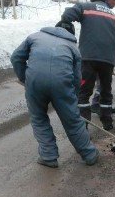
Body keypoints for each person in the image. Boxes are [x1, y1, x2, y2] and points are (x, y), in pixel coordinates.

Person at [10, 21, 99, 168]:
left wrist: (24, 78)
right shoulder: (73, 48)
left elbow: (16, 58)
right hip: (62, 85)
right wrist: (73, 97)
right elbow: (77, 78)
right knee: (72, 121)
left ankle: (48, 156)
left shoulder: (34, 37)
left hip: (35, 82)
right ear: (71, 34)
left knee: (39, 118)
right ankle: (89, 154)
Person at [60, 0, 115, 131]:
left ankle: (84, 124)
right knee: (106, 91)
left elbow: (68, 14)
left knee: (84, 92)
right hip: (108, 60)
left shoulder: (85, 7)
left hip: (88, 58)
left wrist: (66, 23)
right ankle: (107, 122)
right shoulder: (114, 17)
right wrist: (112, 60)